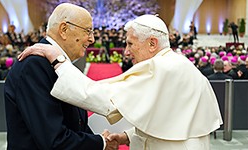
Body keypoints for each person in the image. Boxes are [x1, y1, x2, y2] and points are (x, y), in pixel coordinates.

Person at [19, 14, 223, 149]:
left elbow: (103, 98)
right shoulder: (178, 64)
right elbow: (166, 121)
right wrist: (128, 136)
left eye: (130, 44)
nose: (126, 52)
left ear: (152, 43)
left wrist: (58, 59)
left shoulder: (162, 68)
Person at [4, 3, 117, 150]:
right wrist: (100, 143)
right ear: (64, 30)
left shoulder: (57, 63)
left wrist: (99, 141)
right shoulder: (34, 66)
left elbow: (76, 123)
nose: (92, 39)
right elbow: (53, 140)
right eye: (88, 31)